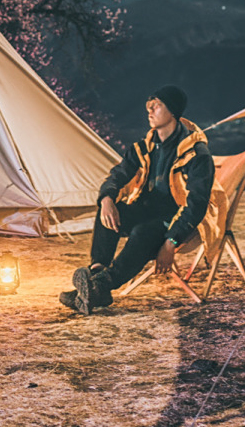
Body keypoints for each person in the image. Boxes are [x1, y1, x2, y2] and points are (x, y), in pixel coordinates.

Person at [60, 84, 225, 315]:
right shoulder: (144, 147)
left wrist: (171, 243)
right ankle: (96, 278)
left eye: (157, 106)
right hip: (146, 210)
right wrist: (106, 198)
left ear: (174, 112)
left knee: (142, 232)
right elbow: (118, 174)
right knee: (109, 210)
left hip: (175, 220)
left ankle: (98, 287)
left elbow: (197, 205)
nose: (150, 111)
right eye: (149, 106)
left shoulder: (196, 154)